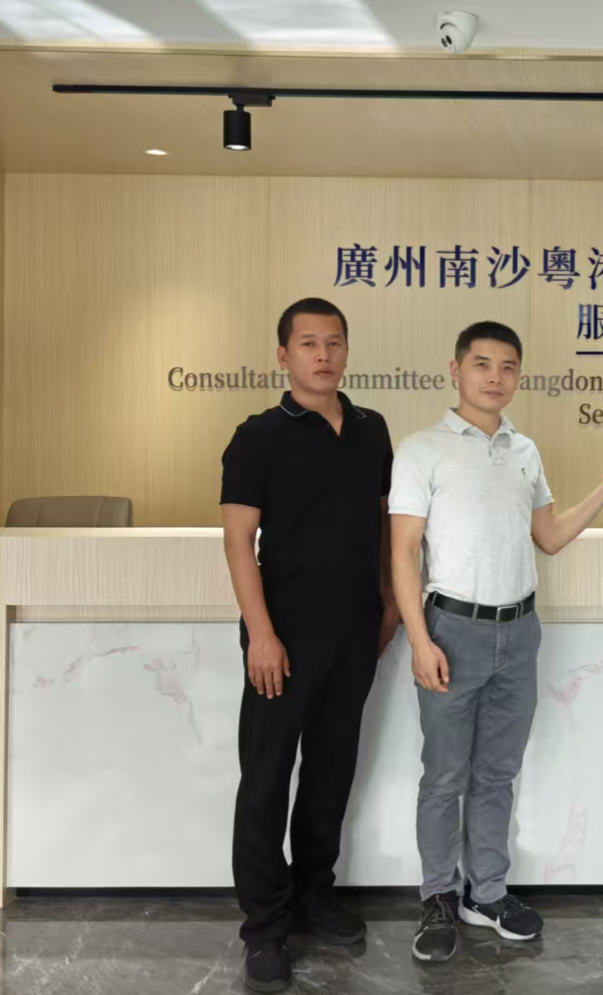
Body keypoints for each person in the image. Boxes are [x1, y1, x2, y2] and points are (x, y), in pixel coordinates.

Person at [389, 320, 603, 964]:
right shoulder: (421, 450)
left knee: (496, 774)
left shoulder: (524, 450)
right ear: (455, 370)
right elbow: (402, 552)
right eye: (482, 364)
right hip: (451, 630)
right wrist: (420, 640)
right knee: (445, 776)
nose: (495, 377)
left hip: (520, 631)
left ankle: (486, 893)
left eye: (508, 367)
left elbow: (551, 536)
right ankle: (437, 897)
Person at [221, 298, 400, 993]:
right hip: (284, 634)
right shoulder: (257, 435)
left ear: (346, 352)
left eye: (334, 343)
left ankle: (314, 895)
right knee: (267, 778)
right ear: (283, 356)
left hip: (355, 628)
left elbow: (383, 525)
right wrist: (261, 634)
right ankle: (264, 925)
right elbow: (239, 541)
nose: (323, 355)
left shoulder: (372, 428)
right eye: (308, 343)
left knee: (331, 770)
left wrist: (388, 603)